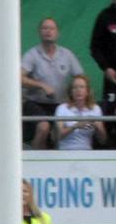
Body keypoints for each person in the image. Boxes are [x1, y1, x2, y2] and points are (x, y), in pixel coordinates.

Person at [23, 19, 86, 149]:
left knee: (58, 134)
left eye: (52, 28)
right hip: (35, 103)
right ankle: (35, 162)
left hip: (60, 105)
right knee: (43, 127)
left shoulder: (67, 54)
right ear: (39, 32)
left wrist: (77, 95)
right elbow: (18, 78)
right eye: (45, 28)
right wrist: (41, 85)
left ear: (58, 33)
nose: (48, 31)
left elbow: (81, 77)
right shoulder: (32, 54)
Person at [54, 73, 107, 151]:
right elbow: (58, 136)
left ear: (87, 91)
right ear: (71, 92)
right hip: (65, 150)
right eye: (75, 87)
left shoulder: (96, 109)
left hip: (86, 151)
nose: (78, 90)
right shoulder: (62, 108)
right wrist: (76, 126)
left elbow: (103, 141)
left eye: (82, 87)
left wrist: (99, 127)